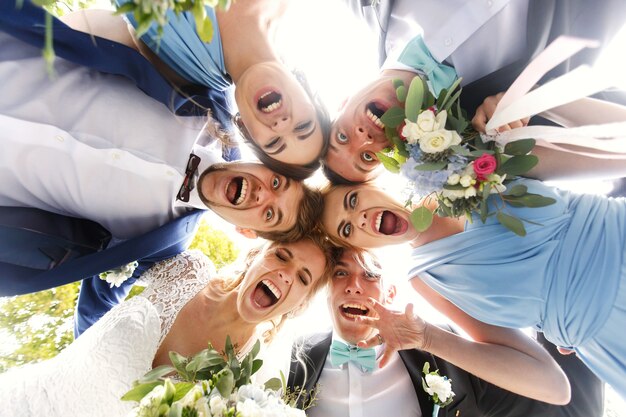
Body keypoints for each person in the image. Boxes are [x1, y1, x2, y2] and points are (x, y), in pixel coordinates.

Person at [0, 29, 322, 333]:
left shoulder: (160, 243)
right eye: (278, 183)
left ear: (246, 231)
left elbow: (95, 314)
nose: (262, 195)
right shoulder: (210, 98)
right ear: (268, 164)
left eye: (270, 214)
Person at [321, 178, 626, 399]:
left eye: (353, 200)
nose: (358, 218)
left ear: (371, 182)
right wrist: (427, 337)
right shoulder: (428, 278)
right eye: (347, 229)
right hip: (609, 336)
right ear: (357, 245)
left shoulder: (443, 163)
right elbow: (554, 387)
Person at [0, 237, 334, 417]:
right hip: (24, 398)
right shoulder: (189, 268)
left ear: (301, 303)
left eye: (303, 277)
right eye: (281, 256)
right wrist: (85, 348)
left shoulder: (251, 379)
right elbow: (104, 279)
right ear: (257, 255)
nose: (285, 274)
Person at [325, 0, 626, 182]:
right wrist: (533, 99)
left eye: (342, 137)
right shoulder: (489, 133)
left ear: (342, 102)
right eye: (367, 159)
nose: (362, 139)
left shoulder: (366, 7)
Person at [288, 248, 604, 416]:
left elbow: (553, 400)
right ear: (326, 289)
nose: (354, 286)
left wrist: (564, 312)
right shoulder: (297, 357)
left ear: (391, 294)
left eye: (370, 276)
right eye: (341, 273)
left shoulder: (439, 346)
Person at [60, 0, 332, 179]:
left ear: (246, 129)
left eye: (274, 143)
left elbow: (79, 33)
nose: (283, 124)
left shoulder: (181, 70)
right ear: (309, 93)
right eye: (303, 127)